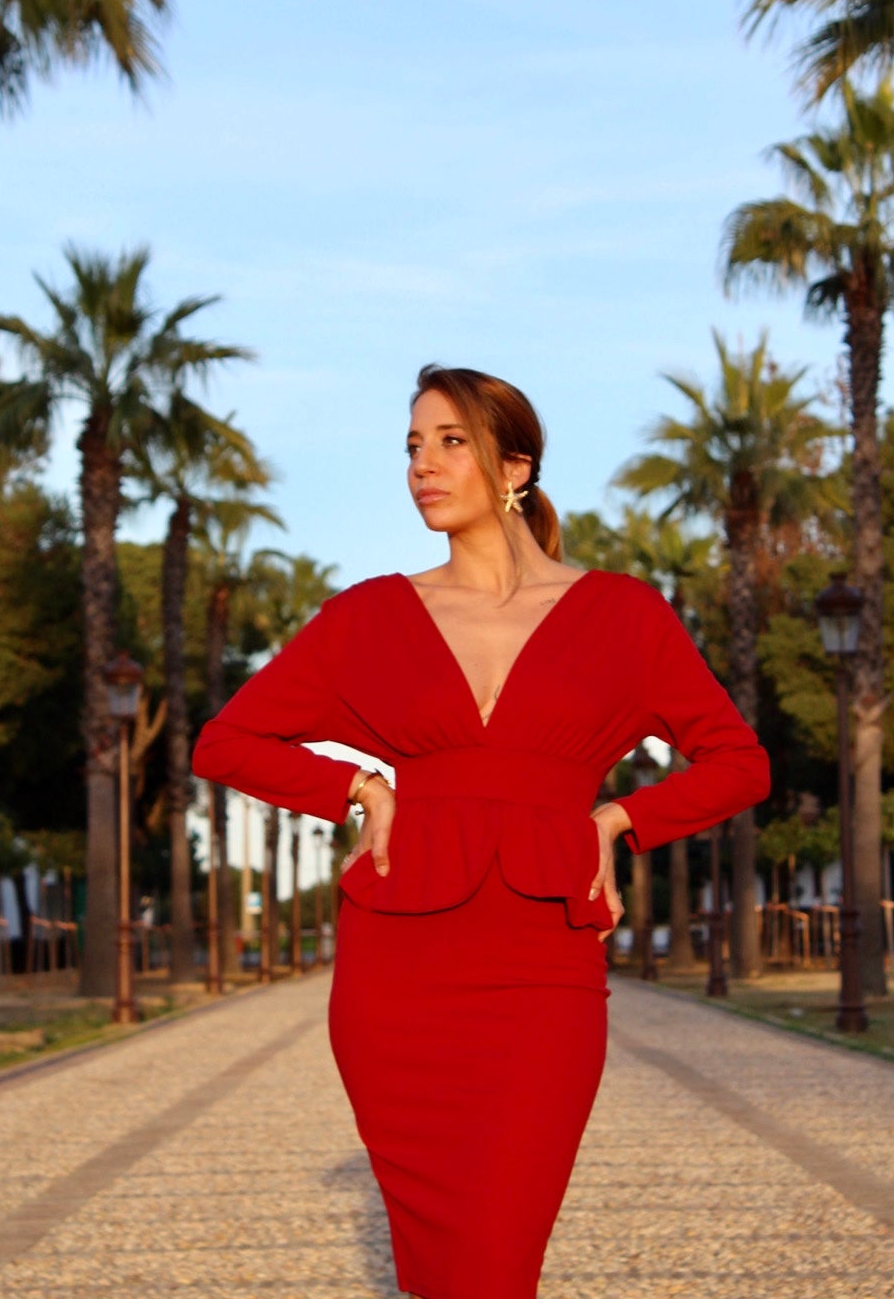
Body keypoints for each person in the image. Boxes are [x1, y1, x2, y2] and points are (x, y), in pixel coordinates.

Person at [193, 363, 769, 1299]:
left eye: (450, 442)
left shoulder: (623, 614)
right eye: (413, 446)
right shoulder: (369, 615)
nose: (422, 465)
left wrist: (619, 817)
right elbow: (225, 742)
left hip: (543, 971)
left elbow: (740, 762)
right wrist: (358, 786)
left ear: (515, 468)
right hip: (396, 974)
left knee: (499, 1259)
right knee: (442, 1273)